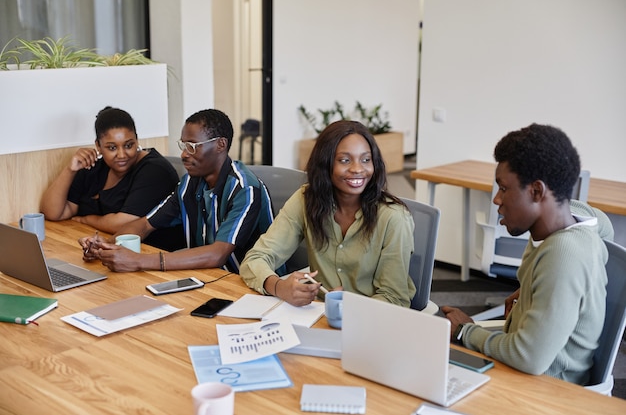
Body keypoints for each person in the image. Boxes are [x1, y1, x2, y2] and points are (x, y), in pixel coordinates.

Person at [442, 123, 614, 386]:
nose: (496, 200)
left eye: (503, 188)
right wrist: (537, 291)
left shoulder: (564, 254)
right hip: (529, 374)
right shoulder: (568, 219)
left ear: (536, 191)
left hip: (548, 390)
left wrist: (466, 331)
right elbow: (605, 226)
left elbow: (528, 358)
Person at [240, 120, 416, 307]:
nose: (357, 169)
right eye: (345, 160)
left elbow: (394, 298)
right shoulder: (306, 199)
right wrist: (278, 286)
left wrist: (348, 306)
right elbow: (256, 258)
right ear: (325, 164)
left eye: (366, 159)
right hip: (319, 314)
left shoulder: (394, 218)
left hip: (371, 320)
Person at [79, 108, 275, 274]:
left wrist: (139, 261)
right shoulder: (190, 182)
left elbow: (218, 254)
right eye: (183, 145)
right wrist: (107, 245)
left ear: (220, 145)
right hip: (205, 278)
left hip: (249, 286)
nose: (183, 155)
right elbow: (145, 224)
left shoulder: (245, 189)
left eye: (191, 147)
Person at [40, 106, 184, 251]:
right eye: (112, 148)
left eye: (129, 145)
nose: (122, 155)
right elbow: (53, 213)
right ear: (98, 146)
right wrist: (70, 170)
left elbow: (123, 224)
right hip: (104, 247)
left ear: (136, 139)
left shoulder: (155, 170)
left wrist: (86, 219)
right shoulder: (94, 166)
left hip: (151, 252)